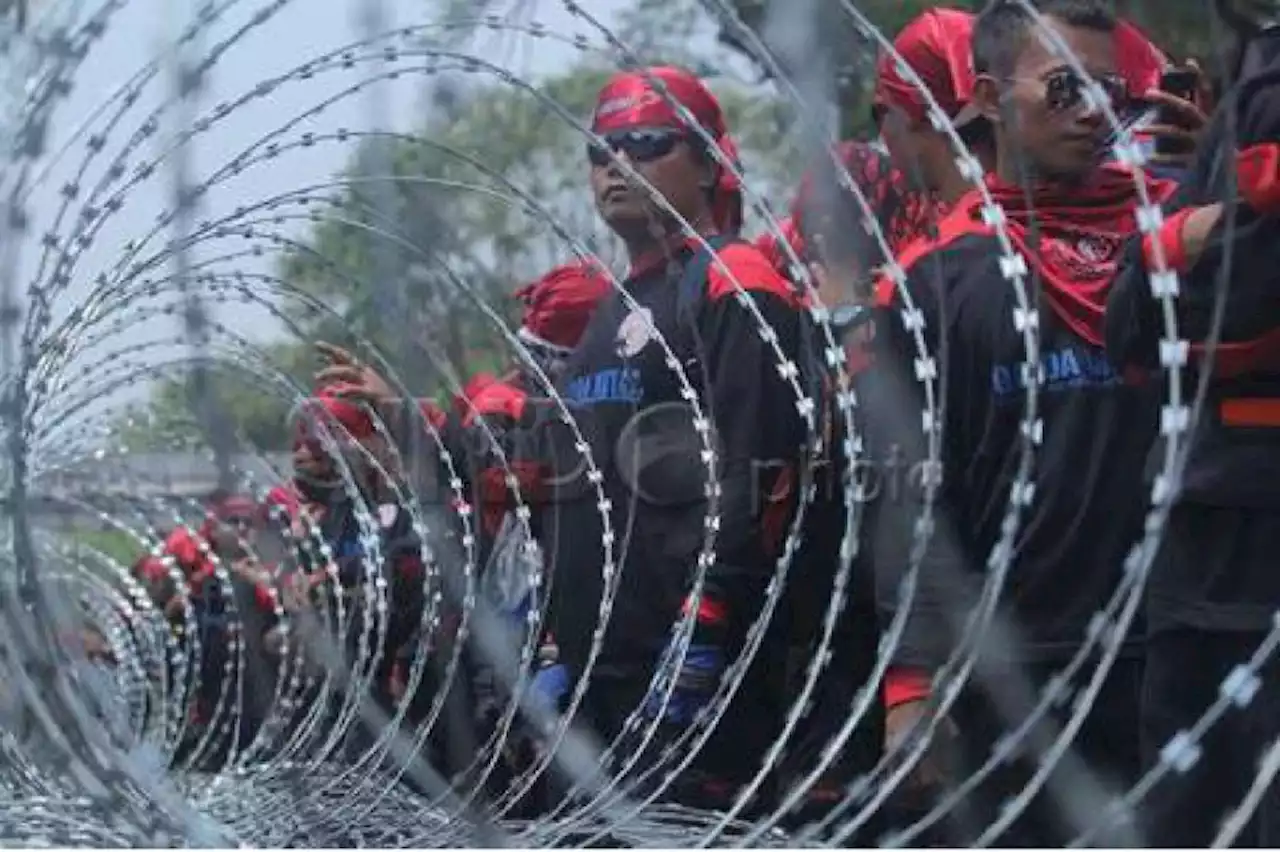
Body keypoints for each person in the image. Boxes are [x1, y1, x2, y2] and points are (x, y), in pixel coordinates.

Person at [863, 0, 1182, 845]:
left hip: (1179, 655)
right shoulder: (941, 284)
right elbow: (908, 498)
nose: (1096, 112)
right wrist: (911, 688)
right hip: (1018, 676)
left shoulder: (1175, 247)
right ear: (989, 97)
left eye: (1112, 91)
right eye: (1067, 88)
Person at [1104, 1, 1280, 843]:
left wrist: (1171, 243)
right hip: (1202, 539)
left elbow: (1223, 305)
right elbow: (1134, 328)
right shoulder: (1245, 98)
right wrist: (1183, 227)